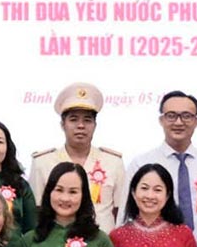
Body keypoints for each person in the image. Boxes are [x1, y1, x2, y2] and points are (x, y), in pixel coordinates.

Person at [131, 91, 197, 238]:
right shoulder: (141, 163)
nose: (179, 122)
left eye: (186, 116)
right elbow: (128, 215)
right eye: (171, 116)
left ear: (196, 121)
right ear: (161, 120)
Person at [30, 83, 128, 233]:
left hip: (102, 246)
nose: (81, 126)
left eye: (87, 120)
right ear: (63, 124)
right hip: (56, 246)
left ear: (95, 125)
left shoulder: (113, 162)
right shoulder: (42, 163)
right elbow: (37, 210)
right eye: (73, 119)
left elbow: (119, 211)